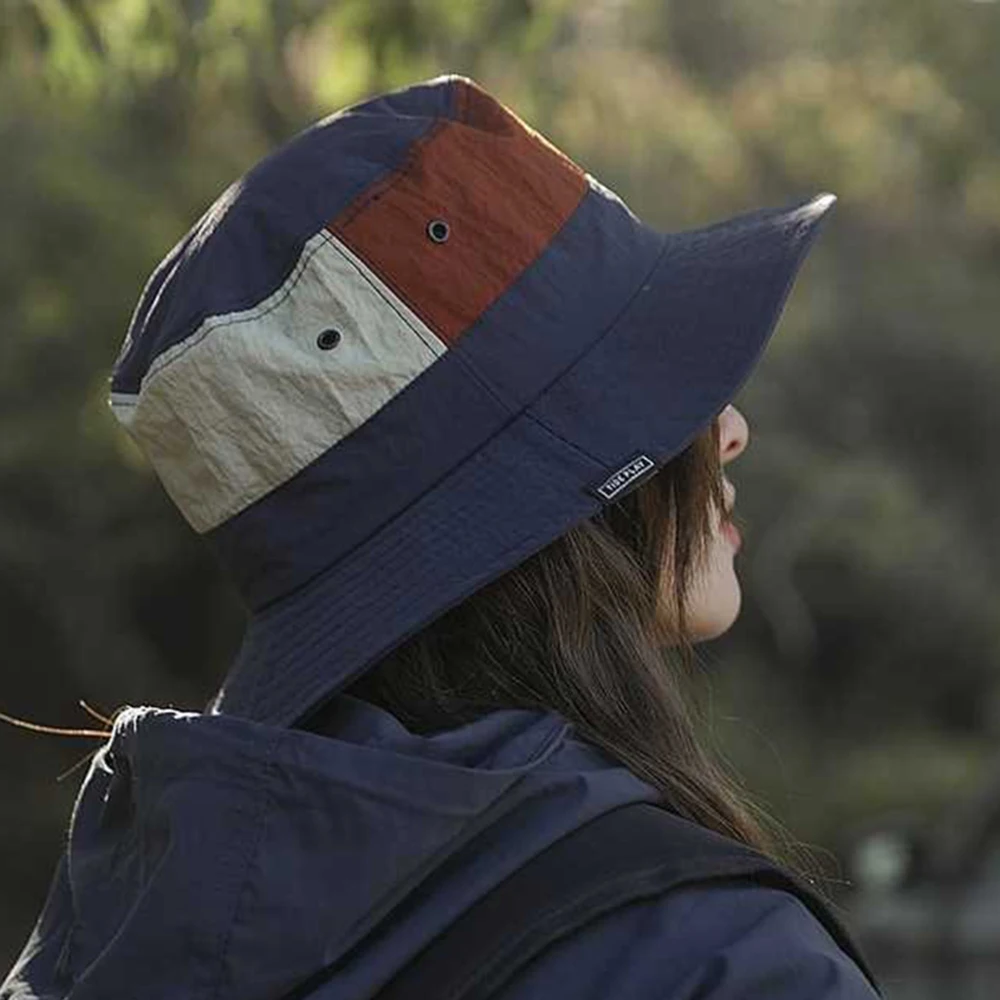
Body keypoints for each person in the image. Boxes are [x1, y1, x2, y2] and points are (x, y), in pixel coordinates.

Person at [1, 75, 881, 998]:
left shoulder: (115, 930)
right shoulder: (720, 962)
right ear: (542, 488)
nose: (730, 427)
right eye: (658, 392)